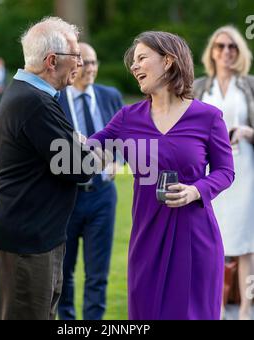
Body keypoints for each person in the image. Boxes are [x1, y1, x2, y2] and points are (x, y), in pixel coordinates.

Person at [87, 31, 235, 320]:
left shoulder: (208, 117)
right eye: (133, 61)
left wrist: (196, 190)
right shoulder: (127, 118)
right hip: (147, 240)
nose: (134, 66)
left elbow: (225, 171)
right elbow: (86, 148)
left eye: (142, 58)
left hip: (196, 240)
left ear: (168, 61)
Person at [0, 17, 97, 320]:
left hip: (34, 237)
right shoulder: (35, 103)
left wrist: (77, 145)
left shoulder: (31, 95)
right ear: (51, 61)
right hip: (25, 243)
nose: (81, 64)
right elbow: (79, 167)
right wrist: (90, 149)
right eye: (76, 57)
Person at [57, 42, 123, 320]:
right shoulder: (55, 99)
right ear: (73, 65)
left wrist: (117, 160)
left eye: (95, 62)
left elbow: (126, 137)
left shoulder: (110, 96)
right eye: (86, 63)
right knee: (64, 273)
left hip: (102, 196)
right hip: (66, 198)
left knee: (98, 273)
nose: (92, 69)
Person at [194, 26, 254, 320]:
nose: (226, 51)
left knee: (245, 244)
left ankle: (244, 309)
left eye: (232, 46)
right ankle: (215, 306)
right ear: (212, 51)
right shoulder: (201, 86)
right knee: (212, 241)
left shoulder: (250, 85)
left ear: (239, 51)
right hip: (210, 172)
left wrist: (246, 131)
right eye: (220, 46)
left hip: (245, 170)